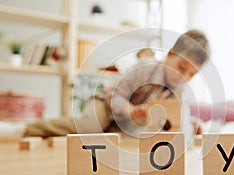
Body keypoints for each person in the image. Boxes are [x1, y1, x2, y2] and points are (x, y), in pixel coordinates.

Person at [24, 29, 210, 137]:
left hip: (127, 121)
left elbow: (177, 114)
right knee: (89, 127)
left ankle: (109, 131)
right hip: (105, 103)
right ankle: (32, 128)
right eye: (181, 67)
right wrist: (130, 109)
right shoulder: (146, 68)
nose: (183, 76)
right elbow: (115, 94)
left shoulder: (179, 90)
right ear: (169, 54)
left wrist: (191, 123)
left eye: (192, 74)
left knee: (130, 138)